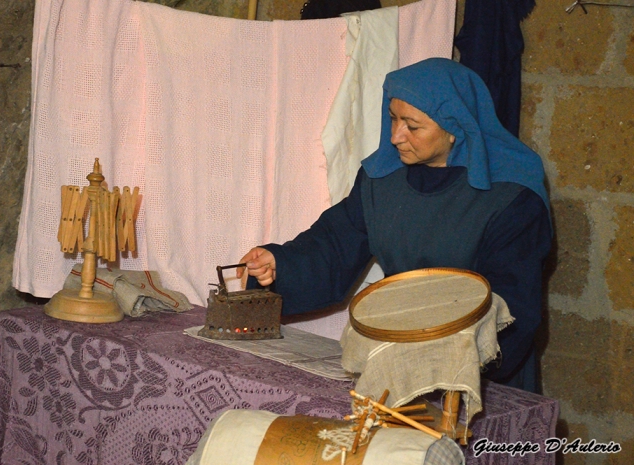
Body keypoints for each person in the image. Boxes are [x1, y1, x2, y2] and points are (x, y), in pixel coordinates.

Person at [236, 58, 552, 392]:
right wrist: (279, 265)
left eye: (412, 126)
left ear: (454, 129)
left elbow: (512, 305)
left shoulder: (511, 197)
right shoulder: (383, 180)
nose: (395, 137)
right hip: (396, 356)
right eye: (392, 118)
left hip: (479, 378)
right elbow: (333, 244)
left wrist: (445, 356)